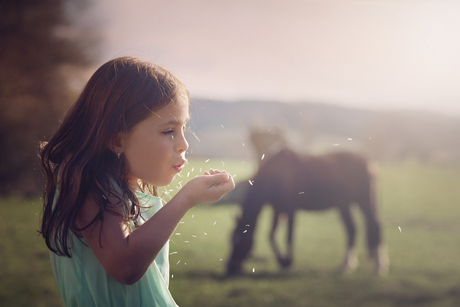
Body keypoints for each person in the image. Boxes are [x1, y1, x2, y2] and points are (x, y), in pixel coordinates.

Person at [39, 56, 235, 306]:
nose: (184, 144)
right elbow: (125, 266)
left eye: (183, 128)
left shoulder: (127, 185)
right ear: (117, 139)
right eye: (168, 131)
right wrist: (186, 199)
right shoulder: (89, 182)